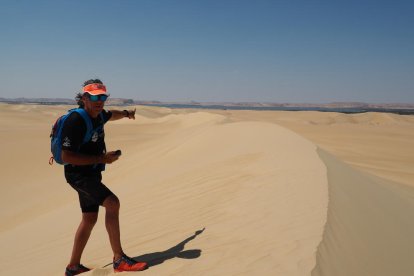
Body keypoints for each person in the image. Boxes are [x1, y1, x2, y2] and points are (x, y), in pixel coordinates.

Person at [62, 79, 147, 275]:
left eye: (103, 96)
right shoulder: (76, 120)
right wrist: (102, 158)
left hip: (91, 173)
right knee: (112, 203)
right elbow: (66, 156)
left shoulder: (99, 115)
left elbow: (111, 115)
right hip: (78, 175)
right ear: (84, 98)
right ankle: (119, 259)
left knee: (89, 218)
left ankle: (73, 266)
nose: (100, 101)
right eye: (94, 97)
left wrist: (126, 114)